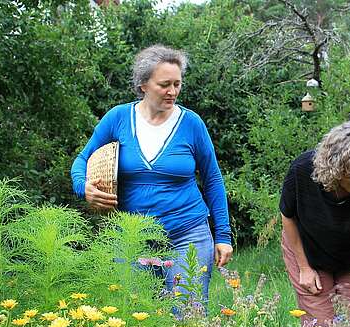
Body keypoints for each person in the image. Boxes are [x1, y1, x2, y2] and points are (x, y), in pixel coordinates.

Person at [71, 45, 232, 305]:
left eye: (177, 84)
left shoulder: (192, 124)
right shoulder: (118, 118)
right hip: (132, 238)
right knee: (134, 319)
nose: (172, 92)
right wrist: (83, 187)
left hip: (187, 235)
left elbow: (213, 179)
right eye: (164, 84)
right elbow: (82, 160)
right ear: (143, 84)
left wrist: (223, 236)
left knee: (186, 319)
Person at [280, 120, 350, 327]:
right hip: (307, 253)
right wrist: (304, 268)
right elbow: (288, 217)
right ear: (335, 166)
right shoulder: (302, 171)